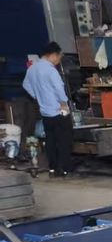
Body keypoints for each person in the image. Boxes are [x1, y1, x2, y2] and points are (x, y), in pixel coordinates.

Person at [22, 41, 73, 177]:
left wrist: (36, 96)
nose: (58, 61)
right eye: (59, 57)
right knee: (63, 140)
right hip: (58, 111)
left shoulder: (32, 69)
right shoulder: (50, 70)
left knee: (50, 141)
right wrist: (63, 103)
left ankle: (52, 169)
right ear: (53, 55)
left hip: (45, 112)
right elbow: (58, 88)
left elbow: (26, 84)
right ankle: (63, 168)